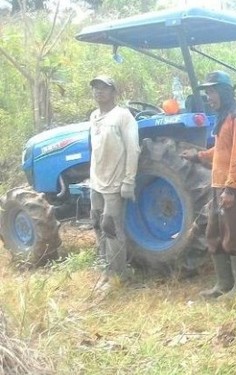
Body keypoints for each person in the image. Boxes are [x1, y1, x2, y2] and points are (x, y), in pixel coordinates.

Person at [181, 71, 236, 299]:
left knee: (235, 235)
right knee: (214, 233)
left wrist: (231, 189)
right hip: (219, 185)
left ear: (224, 92)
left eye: (213, 92)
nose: (209, 97)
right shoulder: (225, 117)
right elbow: (223, 151)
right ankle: (223, 284)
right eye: (208, 92)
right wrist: (199, 155)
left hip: (234, 187)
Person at [88, 75, 140, 292]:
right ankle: (106, 269)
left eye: (104, 88)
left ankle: (119, 275)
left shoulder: (123, 116)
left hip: (114, 183)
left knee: (111, 228)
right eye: (96, 88)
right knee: (97, 225)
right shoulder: (94, 116)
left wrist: (128, 181)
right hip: (96, 182)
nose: (99, 91)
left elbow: (133, 149)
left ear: (113, 92)